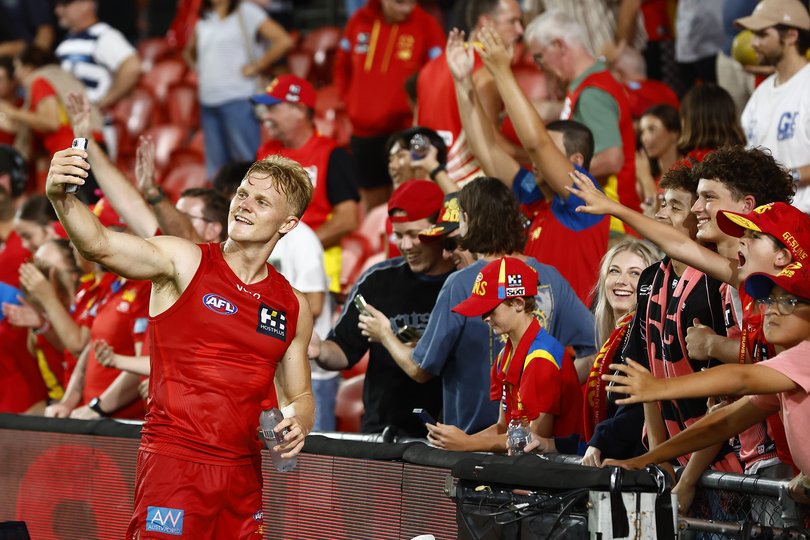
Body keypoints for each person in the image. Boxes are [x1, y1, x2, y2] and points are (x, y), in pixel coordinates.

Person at [46, 147, 315, 538]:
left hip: (243, 477)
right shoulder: (183, 261)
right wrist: (60, 196)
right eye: (241, 194)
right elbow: (100, 245)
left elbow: (301, 393)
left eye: (261, 201)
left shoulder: (293, 305)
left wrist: (299, 423)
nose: (243, 206)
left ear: (288, 223)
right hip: (175, 464)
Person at [368, 177, 595, 438]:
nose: (447, 251)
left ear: (467, 219)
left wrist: (384, 334)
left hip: (472, 443)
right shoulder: (550, 277)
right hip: (534, 442)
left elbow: (420, 369)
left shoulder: (462, 282)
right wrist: (550, 389)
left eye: (452, 240)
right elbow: (594, 349)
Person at [603, 263, 810, 504]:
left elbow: (742, 379)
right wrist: (647, 458)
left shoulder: (805, 357)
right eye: (770, 300)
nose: (772, 310)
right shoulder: (785, 376)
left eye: (789, 302)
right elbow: (723, 422)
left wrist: (659, 388)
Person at [448, 27, 609, 303]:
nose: (538, 159)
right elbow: (485, 149)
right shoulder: (534, 194)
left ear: (576, 162)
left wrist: (501, 71)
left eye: (551, 151)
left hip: (571, 344)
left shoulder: (586, 199)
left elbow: (537, 144)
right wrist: (462, 83)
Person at [311, 180, 451, 437]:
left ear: (438, 228)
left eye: (414, 234)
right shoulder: (378, 280)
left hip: (445, 437)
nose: (406, 245)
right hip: (381, 433)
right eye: (399, 235)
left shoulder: (461, 284)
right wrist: (318, 348)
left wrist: (387, 334)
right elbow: (343, 350)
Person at [425, 256, 581, 453]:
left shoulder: (541, 358)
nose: (484, 318)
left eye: (489, 309)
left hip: (559, 473)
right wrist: (457, 440)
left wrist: (467, 444)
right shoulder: (504, 356)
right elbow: (503, 427)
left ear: (518, 303)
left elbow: (533, 440)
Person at [524, 10, 639, 234]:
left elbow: (611, 159)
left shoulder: (592, 93)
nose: (539, 66)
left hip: (613, 225)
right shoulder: (587, 86)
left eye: (539, 56)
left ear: (558, 45)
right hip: (604, 219)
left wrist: (554, 176)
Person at [253, 75, 361, 293]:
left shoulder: (332, 155)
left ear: (300, 110)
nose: (266, 117)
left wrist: (298, 249)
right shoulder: (265, 152)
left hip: (316, 270)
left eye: (273, 108)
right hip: (269, 265)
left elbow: (348, 219)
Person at [334, 0, 445, 209]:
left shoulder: (426, 25)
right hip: (363, 132)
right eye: (400, 2)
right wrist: (349, 102)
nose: (408, 7)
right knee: (373, 206)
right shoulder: (358, 21)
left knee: (407, 203)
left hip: (404, 132)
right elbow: (342, 65)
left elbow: (438, 75)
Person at [416, 0, 525, 186]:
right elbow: (491, 144)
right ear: (486, 22)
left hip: (431, 181)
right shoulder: (488, 72)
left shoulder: (429, 69)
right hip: (471, 187)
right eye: (512, 21)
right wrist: (537, 158)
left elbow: (416, 133)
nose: (520, 31)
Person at [183, 0, 293, 178]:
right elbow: (187, 52)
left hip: (238, 98)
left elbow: (283, 40)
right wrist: (201, 69)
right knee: (216, 172)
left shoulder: (246, 11)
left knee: (248, 164)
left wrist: (257, 66)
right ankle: (221, 206)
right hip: (208, 101)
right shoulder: (205, 17)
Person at [737, 0, 810, 212]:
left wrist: (787, 176)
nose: (753, 43)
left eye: (762, 34)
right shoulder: (760, 95)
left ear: (791, 36)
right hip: (767, 220)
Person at [54, 0, 141, 158]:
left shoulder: (104, 36)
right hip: (75, 129)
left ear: (87, 4)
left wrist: (103, 101)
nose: (58, 10)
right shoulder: (67, 41)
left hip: (97, 129)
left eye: (65, 4)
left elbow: (132, 66)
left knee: (94, 180)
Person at [636, 104, 680, 215]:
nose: (644, 138)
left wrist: (645, 179)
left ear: (674, 134)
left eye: (652, 130)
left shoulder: (687, 173)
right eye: (642, 132)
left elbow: (659, 217)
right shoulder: (650, 176)